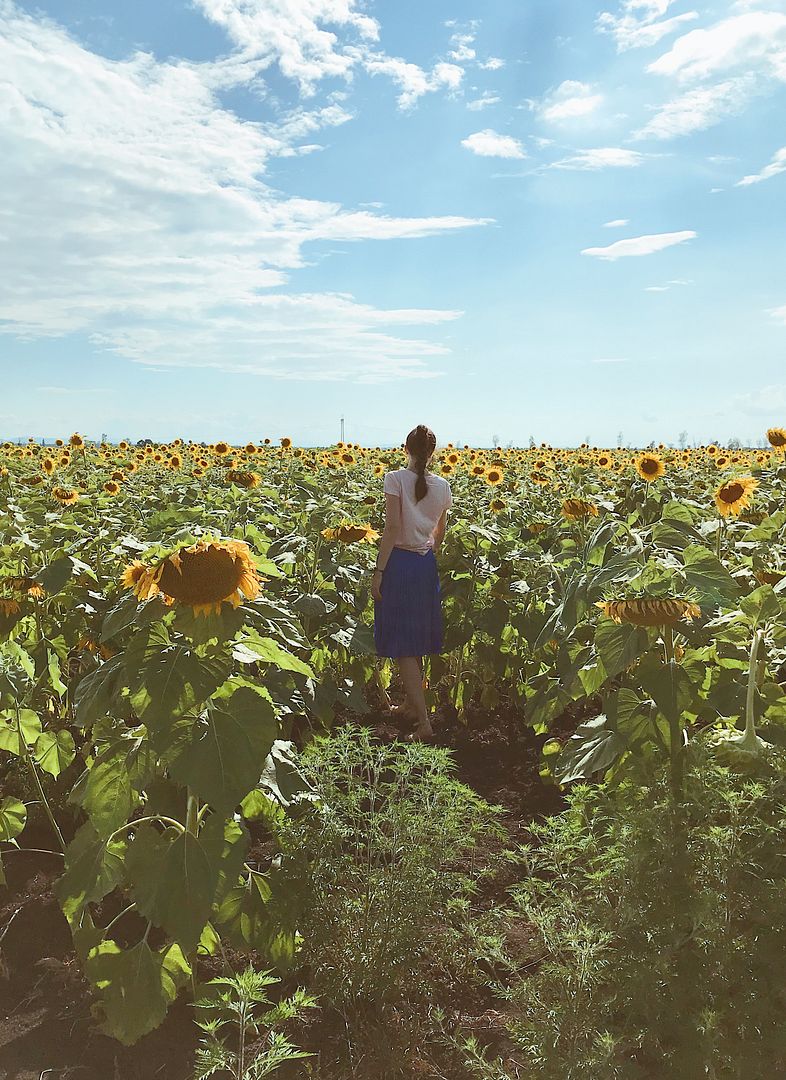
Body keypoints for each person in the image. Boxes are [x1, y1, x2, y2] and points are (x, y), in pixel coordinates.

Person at [371, 424, 452, 741]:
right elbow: (439, 534)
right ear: (432, 454)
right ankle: (409, 704)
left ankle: (424, 724)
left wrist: (379, 570)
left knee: (404, 647)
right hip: (424, 566)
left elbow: (392, 528)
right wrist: (427, 547)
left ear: (406, 449)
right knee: (414, 639)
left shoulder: (395, 480)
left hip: (401, 565)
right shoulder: (443, 487)